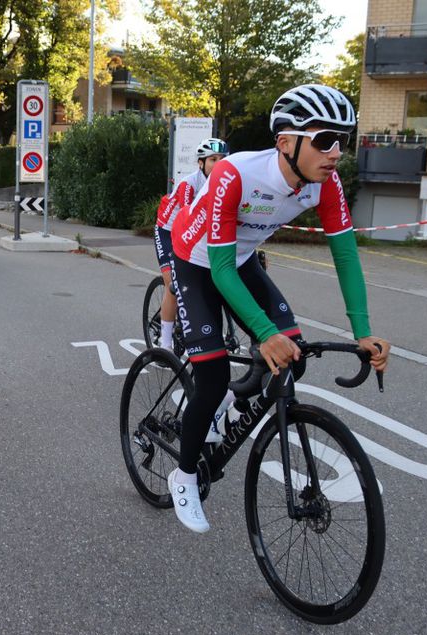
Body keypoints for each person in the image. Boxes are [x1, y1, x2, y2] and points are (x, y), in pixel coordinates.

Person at [167, 84, 391, 534]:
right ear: (287, 142)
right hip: (197, 259)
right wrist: (262, 331)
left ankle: (229, 400)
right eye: (325, 139)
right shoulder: (235, 172)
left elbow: (345, 256)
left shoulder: (325, 186)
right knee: (210, 377)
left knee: (293, 353)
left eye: (342, 142)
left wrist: (363, 330)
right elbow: (220, 267)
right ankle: (185, 474)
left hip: (241, 259)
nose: (335, 153)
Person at [153, 138, 230, 351]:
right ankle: (164, 344)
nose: (218, 163)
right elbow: (187, 217)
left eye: (223, 159)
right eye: (213, 159)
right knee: (174, 285)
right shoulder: (189, 184)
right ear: (201, 163)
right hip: (169, 231)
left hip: (193, 233)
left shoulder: (227, 183)